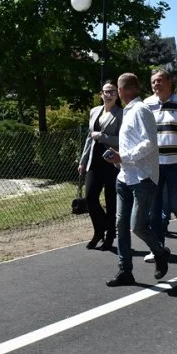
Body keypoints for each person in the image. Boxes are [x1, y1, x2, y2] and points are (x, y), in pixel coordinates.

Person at [104, 73, 171, 286]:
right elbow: (133, 143)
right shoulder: (128, 111)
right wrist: (118, 157)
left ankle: (160, 252)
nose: (116, 94)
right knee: (121, 225)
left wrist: (123, 156)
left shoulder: (141, 110)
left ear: (124, 90)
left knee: (137, 226)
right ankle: (125, 271)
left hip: (143, 178)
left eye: (117, 90)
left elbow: (149, 143)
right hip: (125, 177)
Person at [144, 69, 177, 257]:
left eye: (159, 81)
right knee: (154, 209)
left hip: (176, 162)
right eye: (153, 82)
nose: (156, 85)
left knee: (176, 204)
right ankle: (158, 247)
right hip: (154, 164)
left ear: (169, 82)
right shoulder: (147, 104)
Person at [77, 81, 123, 250]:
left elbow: (122, 140)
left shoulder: (121, 114)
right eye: (106, 91)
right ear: (101, 94)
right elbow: (89, 138)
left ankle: (110, 236)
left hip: (112, 162)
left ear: (117, 94)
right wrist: (83, 161)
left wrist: (102, 136)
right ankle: (99, 230)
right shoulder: (94, 111)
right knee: (90, 198)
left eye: (112, 91)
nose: (109, 94)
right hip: (94, 161)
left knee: (111, 202)